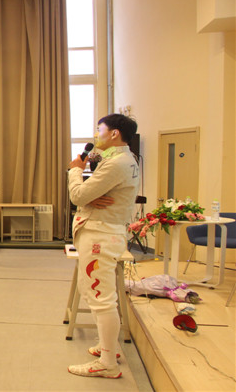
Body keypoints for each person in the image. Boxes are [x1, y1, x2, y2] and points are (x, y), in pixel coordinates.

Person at [66, 114, 140, 379]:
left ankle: (108, 363)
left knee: (101, 298)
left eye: (100, 129)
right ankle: (107, 346)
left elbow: (78, 195)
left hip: (100, 235)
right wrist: (88, 197)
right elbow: (89, 195)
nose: (97, 134)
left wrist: (76, 170)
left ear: (114, 133)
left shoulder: (117, 163)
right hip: (104, 231)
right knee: (97, 294)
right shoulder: (123, 159)